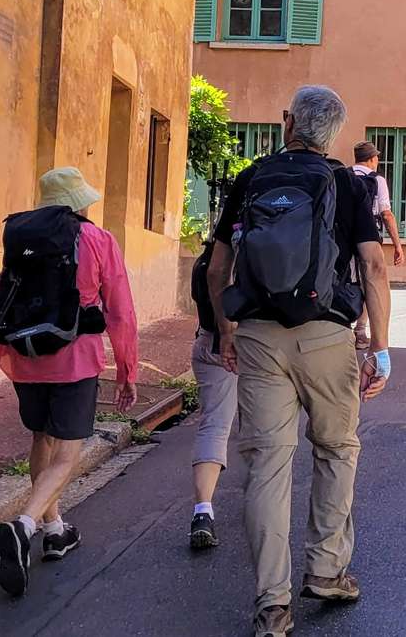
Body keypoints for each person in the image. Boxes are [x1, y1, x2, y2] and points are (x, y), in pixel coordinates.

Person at [205, 85, 393, 637]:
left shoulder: (251, 178)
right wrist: (379, 346)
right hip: (327, 336)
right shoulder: (346, 182)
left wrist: (226, 331)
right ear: (334, 133)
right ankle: (328, 571)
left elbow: (217, 269)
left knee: (267, 465)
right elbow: (373, 267)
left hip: (259, 336)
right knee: (336, 449)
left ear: (287, 122)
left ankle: (272, 605)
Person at [0, 166, 139, 598]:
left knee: (41, 438)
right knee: (67, 453)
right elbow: (120, 310)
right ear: (79, 204)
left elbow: (1, 308)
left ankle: (55, 529)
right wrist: (127, 369)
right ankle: (25, 525)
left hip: (25, 359)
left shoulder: (23, 241)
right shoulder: (98, 240)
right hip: (75, 360)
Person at [185, 190, 239, 552]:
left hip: (207, 344)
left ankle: (203, 510)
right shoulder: (245, 261)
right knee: (263, 428)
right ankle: (263, 502)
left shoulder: (204, 260)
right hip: (242, 347)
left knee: (214, 427)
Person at [350, 141, 406, 348]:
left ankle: (343, 328)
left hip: (343, 237)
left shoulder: (343, 175)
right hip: (369, 237)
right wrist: (398, 245)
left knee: (345, 280)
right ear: (372, 159)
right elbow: (386, 214)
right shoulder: (377, 180)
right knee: (370, 283)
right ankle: (360, 332)